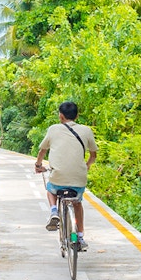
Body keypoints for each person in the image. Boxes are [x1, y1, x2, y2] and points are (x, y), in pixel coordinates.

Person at [34, 101, 98, 250]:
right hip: (79, 179)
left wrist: (38, 165)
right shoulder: (86, 130)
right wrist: (86, 167)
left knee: (50, 189)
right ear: (77, 115)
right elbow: (93, 155)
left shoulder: (53, 129)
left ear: (60, 116)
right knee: (77, 203)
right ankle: (80, 237)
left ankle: (53, 211)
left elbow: (42, 151)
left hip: (58, 177)